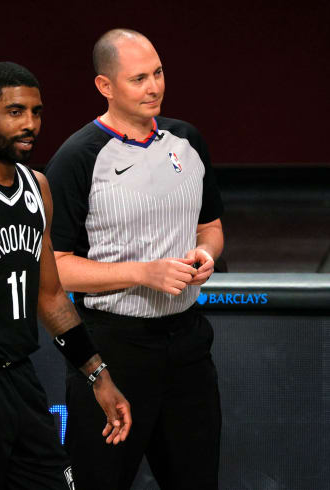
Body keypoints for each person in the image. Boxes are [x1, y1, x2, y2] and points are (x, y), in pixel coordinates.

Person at [0, 62, 131, 490]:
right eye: (16, 112)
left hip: (21, 380)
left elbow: (52, 297)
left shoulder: (37, 187)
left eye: (36, 112)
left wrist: (99, 376)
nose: (30, 124)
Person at [45, 29, 225, 490]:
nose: (154, 87)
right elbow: (58, 266)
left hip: (188, 345)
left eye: (158, 73)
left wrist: (205, 254)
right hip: (114, 351)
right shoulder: (76, 158)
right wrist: (144, 273)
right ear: (105, 86)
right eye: (139, 78)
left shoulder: (187, 140)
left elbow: (211, 228)